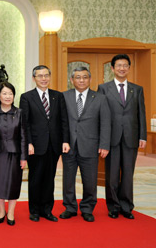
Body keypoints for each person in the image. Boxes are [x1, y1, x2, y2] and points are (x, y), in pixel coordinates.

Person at [97, 54, 146, 219]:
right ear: (112, 68)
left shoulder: (137, 89)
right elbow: (100, 115)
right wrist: (101, 138)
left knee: (127, 174)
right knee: (111, 175)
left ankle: (126, 207)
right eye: (118, 65)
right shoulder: (103, 88)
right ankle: (113, 206)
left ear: (129, 68)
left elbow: (141, 114)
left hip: (131, 137)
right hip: (111, 138)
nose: (122, 68)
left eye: (125, 65)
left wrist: (143, 136)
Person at [19, 65, 69, 222]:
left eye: (46, 75)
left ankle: (47, 210)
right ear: (34, 78)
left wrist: (65, 140)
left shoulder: (58, 96)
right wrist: (28, 143)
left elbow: (64, 120)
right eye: (40, 76)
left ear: (50, 76)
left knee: (49, 179)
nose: (43, 78)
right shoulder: (26, 97)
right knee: (35, 178)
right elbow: (24, 123)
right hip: (35, 146)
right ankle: (34, 211)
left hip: (54, 145)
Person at [60, 67, 110, 222]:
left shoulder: (100, 98)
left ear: (90, 79)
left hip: (91, 145)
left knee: (90, 180)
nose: (81, 80)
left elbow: (106, 123)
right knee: (68, 180)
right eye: (77, 77)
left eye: (84, 77)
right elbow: (60, 122)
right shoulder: (64, 97)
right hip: (69, 146)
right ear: (72, 80)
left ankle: (88, 208)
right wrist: (63, 141)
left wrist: (104, 144)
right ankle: (70, 207)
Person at [0, 82, 27, 226]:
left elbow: (23, 136)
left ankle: (11, 212)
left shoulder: (19, 112)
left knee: (13, 183)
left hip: (15, 154)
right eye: (4, 93)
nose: (8, 96)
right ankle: (1, 211)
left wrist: (23, 157)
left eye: (10, 93)